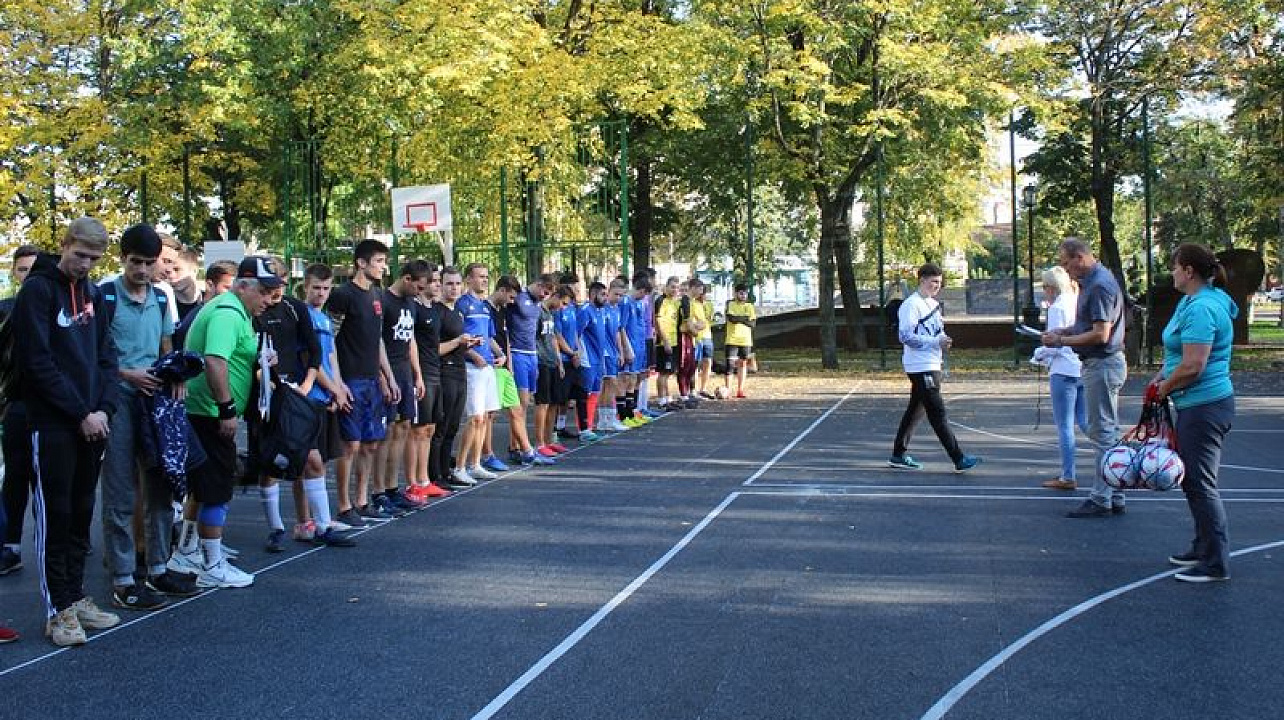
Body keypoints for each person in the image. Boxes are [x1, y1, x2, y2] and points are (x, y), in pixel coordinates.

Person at [12, 218, 122, 646]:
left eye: (94, 259)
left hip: (93, 422)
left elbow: (107, 356)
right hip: (53, 422)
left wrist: (105, 408)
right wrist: (81, 411)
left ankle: (75, 598)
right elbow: (37, 362)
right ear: (64, 245)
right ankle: (56, 609)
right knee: (54, 517)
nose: (85, 265)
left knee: (80, 515)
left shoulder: (93, 293)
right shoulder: (37, 291)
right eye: (80, 255)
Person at [98, 224, 197, 610]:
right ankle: (123, 578)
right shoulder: (105, 295)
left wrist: (174, 376)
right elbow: (97, 354)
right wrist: (127, 375)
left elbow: (166, 342)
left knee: (160, 485)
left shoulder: (161, 295)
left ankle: (158, 567)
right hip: (118, 398)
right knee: (120, 490)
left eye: (148, 263)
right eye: (135, 262)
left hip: (154, 400)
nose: (142, 270)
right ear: (122, 259)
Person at [167, 256, 278, 590]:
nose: (268, 299)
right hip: (210, 413)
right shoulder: (228, 313)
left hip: (205, 410)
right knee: (217, 487)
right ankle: (212, 564)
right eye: (264, 291)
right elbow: (215, 361)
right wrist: (227, 409)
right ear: (244, 286)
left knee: (203, 486)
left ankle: (187, 550)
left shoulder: (234, 311)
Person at [1153, 243, 1237, 583]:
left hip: (1205, 405)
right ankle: (1203, 546)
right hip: (1195, 404)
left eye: (1175, 267)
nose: (1172, 272)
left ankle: (1216, 562)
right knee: (1192, 480)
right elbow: (1179, 355)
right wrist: (1164, 374)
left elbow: (1194, 365)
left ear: (1188, 271)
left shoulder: (1202, 306)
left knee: (1202, 483)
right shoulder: (1193, 301)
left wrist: (1166, 386)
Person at [1042, 238, 1128, 518]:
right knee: (1107, 431)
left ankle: (1101, 497)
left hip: (1102, 363)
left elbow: (1101, 334)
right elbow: (1087, 326)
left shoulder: (1100, 284)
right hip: (1101, 363)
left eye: (1067, 263)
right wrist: (1064, 333)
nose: (1066, 270)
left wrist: (1061, 343)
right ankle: (1115, 492)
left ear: (1079, 257)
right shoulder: (1096, 281)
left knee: (1102, 432)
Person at [326, 239, 397, 527]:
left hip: (371, 381)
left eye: (384, 261)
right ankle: (343, 507)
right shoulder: (343, 295)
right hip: (350, 380)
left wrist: (388, 376)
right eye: (378, 261)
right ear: (361, 263)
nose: (383, 266)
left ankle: (362, 501)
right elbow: (329, 339)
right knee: (350, 445)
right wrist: (337, 383)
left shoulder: (377, 296)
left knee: (370, 444)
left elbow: (377, 339)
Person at [888, 263, 980, 473]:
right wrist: (933, 343)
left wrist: (942, 340)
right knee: (937, 412)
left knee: (916, 410)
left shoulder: (933, 304)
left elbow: (934, 333)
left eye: (939, 282)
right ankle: (958, 457)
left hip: (932, 363)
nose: (937, 286)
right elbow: (905, 336)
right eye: (933, 282)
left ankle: (898, 454)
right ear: (921, 280)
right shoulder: (911, 305)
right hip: (920, 366)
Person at [372, 261, 429, 515]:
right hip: (388, 372)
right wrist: (383, 378)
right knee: (386, 431)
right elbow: (376, 342)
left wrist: (418, 375)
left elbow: (411, 340)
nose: (419, 291)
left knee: (403, 427)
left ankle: (394, 488)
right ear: (406, 278)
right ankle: (378, 491)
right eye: (417, 286)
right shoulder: (383, 301)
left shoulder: (410, 304)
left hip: (406, 373)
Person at [1, 244, 41, 577]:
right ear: (15, 273)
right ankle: (10, 544)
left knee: (53, 483)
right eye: (22, 269)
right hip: (16, 405)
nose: (28, 276)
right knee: (15, 476)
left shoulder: (56, 308)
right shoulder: (5, 310)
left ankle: (63, 542)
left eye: (33, 269)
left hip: (53, 409)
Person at [1034, 267, 1087, 491]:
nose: (1045, 292)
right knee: (1086, 421)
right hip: (1081, 368)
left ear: (1051, 287)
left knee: (1065, 425)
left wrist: (1038, 354)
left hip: (1063, 370)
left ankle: (1068, 475)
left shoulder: (1056, 307)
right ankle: (1115, 454)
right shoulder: (1076, 301)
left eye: (1045, 287)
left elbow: (1053, 343)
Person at [405, 265, 452, 500]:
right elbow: (409, 342)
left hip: (436, 372)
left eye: (437, 281)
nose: (436, 285)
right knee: (417, 430)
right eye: (433, 281)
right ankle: (412, 482)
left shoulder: (434, 310)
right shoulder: (413, 308)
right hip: (421, 374)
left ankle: (424, 479)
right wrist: (417, 375)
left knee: (430, 429)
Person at [455, 263, 505, 481]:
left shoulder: (485, 306)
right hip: (472, 367)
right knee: (475, 417)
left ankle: (475, 463)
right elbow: (458, 338)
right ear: (469, 280)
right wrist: (473, 356)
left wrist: (500, 353)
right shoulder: (462, 305)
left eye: (486, 277)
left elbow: (490, 336)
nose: (484, 280)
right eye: (480, 277)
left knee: (486, 416)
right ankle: (460, 466)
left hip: (487, 367)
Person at [499, 274, 554, 465]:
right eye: (544, 292)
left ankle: (519, 446)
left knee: (527, 401)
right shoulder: (518, 298)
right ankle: (517, 448)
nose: (545, 296)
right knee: (519, 404)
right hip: (518, 353)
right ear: (538, 284)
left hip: (532, 354)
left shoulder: (537, 302)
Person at [432, 268, 477, 488]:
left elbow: (458, 342)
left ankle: (445, 471)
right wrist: (458, 341)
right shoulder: (437, 312)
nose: (454, 288)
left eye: (458, 284)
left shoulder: (457, 311)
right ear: (439, 284)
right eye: (449, 283)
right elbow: (434, 349)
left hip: (460, 370)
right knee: (441, 426)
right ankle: (434, 475)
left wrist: (468, 344)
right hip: (445, 371)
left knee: (452, 427)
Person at [534, 286, 571, 455]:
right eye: (562, 303)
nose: (562, 307)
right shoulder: (538, 312)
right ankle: (539, 443)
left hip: (552, 362)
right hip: (541, 361)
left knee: (554, 403)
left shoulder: (551, 314)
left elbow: (554, 338)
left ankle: (550, 440)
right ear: (555, 296)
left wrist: (559, 362)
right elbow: (532, 337)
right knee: (543, 403)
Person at [653, 277, 682, 411]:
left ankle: (668, 398)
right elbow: (657, 322)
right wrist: (664, 341)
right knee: (663, 372)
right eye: (672, 287)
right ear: (666, 287)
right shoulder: (661, 301)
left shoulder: (675, 303)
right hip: (664, 342)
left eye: (677, 287)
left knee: (669, 371)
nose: (675, 290)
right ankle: (661, 400)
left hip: (674, 341)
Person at [723, 283, 756, 399]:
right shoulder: (730, 304)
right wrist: (744, 319)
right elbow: (731, 318)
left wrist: (739, 319)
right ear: (736, 293)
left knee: (743, 364)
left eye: (745, 293)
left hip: (745, 340)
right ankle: (727, 390)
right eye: (741, 293)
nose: (743, 295)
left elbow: (752, 323)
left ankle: (740, 390)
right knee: (730, 365)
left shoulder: (750, 306)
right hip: (732, 339)